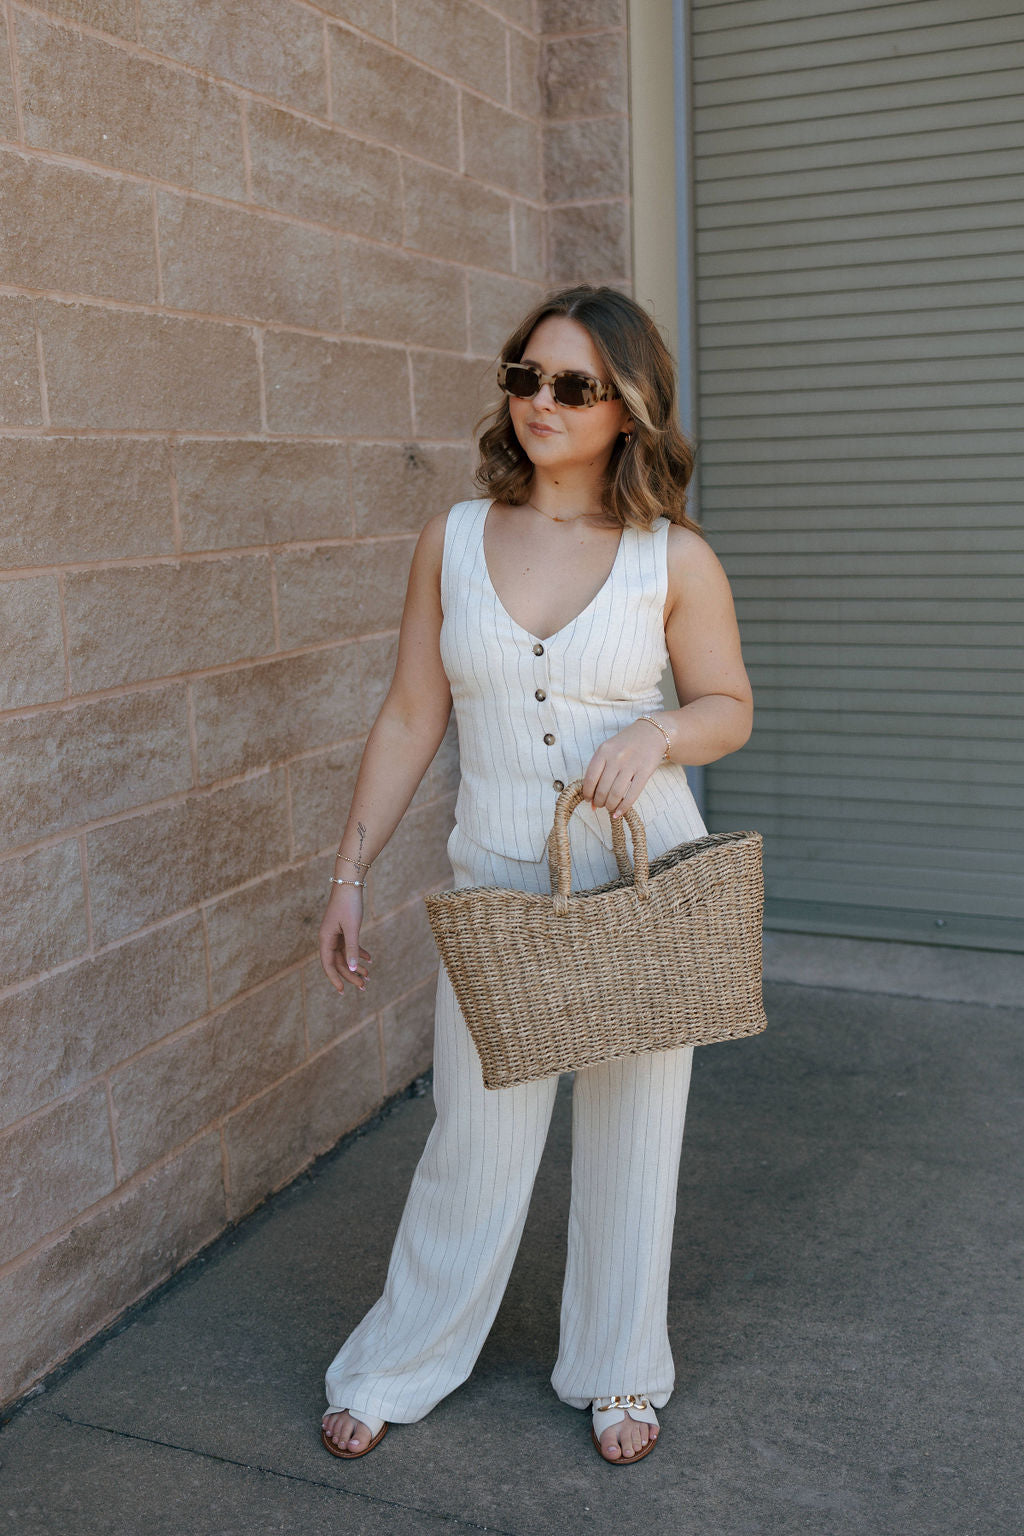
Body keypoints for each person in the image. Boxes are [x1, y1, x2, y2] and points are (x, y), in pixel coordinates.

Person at [318, 283, 754, 1465]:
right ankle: (399, 1361)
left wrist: (657, 732)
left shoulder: (672, 557)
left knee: (633, 1140)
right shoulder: (453, 540)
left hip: (641, 880)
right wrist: (349, 870)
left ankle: (620, 1370)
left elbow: (727, 706)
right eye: (525, 376)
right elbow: (411, 713)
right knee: (474, 1139)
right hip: (499, 886)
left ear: (628, 408)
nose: (540, 401)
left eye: (573, 385)